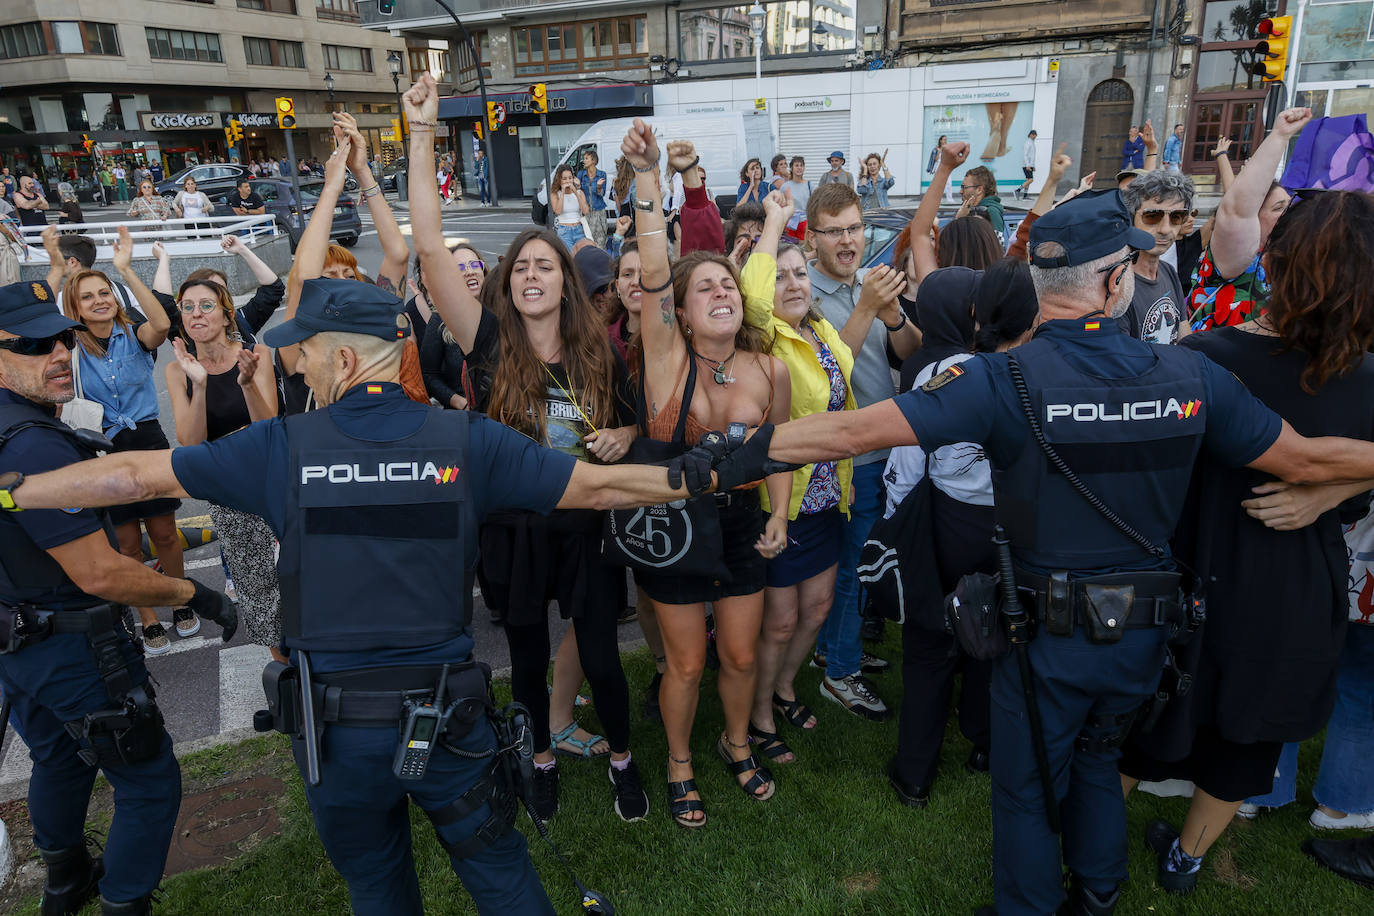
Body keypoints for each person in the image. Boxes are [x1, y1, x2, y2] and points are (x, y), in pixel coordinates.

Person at [700, 181, 1374, 916]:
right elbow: (1307, 460)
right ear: (1115, 281)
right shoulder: (1190, 373)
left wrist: (738, 452)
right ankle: (1099, 892)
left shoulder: (999, 378)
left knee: (1026, 790)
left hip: (1046, 639)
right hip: (1144, 636)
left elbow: (855, 431)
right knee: (1098, 760)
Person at [0, 253, 744, 913]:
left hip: (337, 733)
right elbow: (599, 489)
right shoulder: (467, 440)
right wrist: (708, 472)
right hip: (448, 722)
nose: (298, 368)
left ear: (348, 364)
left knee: (378, 888)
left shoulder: (281, 446)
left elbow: (134, 474)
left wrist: (14, 491)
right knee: (500, 873)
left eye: (309, 357)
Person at [1117, 188, 1374, 896]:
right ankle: (1186, 860)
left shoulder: (1202, 357)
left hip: (1194, 565)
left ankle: (1098, 840)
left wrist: (1323, 486)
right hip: (1294, 582)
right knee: (1248, 732)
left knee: (1148, 713)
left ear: (1277, 260)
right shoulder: (1364, 376)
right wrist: (1330, 488)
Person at [406, 76, 648, 826]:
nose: (535, 274)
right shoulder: (486, 344)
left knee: (603, 655)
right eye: (523, 268)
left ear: (566, 283)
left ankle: (621, 759)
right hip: (511, 530)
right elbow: (427, 247)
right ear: (506, 285)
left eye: (548, 265)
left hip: (586, 527)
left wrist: (629, 434)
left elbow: (639, 420)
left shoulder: (598, 354)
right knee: (527, 659)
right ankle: (538, 759)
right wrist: (420, 133)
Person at [0, 278, 236, 916]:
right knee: (149, 780)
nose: (55, 353)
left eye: (58, 338)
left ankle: (65, 882)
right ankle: (122, 903)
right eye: (30, 344)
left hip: (18, 642)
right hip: (73, 645)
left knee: (58, 760)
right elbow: (103, 573)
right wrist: (200, 597)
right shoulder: (30, 443)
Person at [618, 124, 794, 827]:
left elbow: (778, 449)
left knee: (743, 654)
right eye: (706, 286)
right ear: (681, 313)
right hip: (676, 527)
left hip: (744, 522)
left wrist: (780, 514)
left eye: (729, 281)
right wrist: (648, 175)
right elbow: (657, 261)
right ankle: (680, 761)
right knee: (686, 665)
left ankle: (735, 741)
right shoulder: (665, 357)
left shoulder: (768, 368)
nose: (721, 289)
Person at [884, 259, 1039, 810]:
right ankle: (985, 743)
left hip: (947, 522)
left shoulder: (939, 377)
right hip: (1007, 525)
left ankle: (914, 772)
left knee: (929, 644)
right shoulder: (1025, 370)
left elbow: (906, 459)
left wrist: (903, 523)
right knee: (993, 630)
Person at [739, 190, 856, 763]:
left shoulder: (820, 330)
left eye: (800, 272)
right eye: (781, 275)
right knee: (780, 622)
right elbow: (752, 297)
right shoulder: (765, 338)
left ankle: (785, 688)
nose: (792, 283)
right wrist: (775, 224)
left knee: (818, 608)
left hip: (829, 496)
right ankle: (759, 712)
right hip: (782, 501)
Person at [804, 182, 918, 721]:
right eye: (835, 231)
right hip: (847, 456)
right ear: (813, 238)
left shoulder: (868, 285)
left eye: (855, 228)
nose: (848, 240)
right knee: (852, 566)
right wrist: (869, 306)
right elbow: (829, 369)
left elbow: (910, 355)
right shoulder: (803, 292)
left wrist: (891, 314)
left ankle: (834, 649)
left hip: (882, 448)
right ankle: (840, 674)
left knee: (857, 563)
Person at [51, 226, 193, 657]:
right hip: (102, 447)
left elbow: (163, 323)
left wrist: (126, 270)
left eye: (104, 292)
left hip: (148, 439)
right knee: (128, 543)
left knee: (166, 534)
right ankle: (148, 618)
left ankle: (182, 601)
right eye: (89, 296)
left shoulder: (135, 337)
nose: (100, 300)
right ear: (75, 307)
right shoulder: (69, 346)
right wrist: (58, 270)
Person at [164, 277, 282, 657]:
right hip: (226, 488)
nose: (196, 313)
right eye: (188, 306)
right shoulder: (178, 370)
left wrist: (247, 384)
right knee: (254, 581)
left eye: (206, 305)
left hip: (270, 478)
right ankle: (282, 667)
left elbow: (268, 429)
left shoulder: (255, 352)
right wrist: (199, 385)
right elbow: (191, 442)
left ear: (226, 313)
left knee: (294, 569)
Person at [1187, 110, 1309, 333]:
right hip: (1215, 363)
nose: (1289, 213)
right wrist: (1280, 136)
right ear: (1253, 217)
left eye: (1289, 205)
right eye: (1278, 208)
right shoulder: (1234, 257)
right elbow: (1237, 209)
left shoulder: (1292, 257)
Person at [1118, 170, 1194, 344]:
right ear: (1131, 218)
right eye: (1152, 216)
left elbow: (1184, 337)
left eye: (1176, 217)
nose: (1165, 229)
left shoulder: (1168, 271)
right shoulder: (1118, 284)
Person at [418, 245, 485, 410]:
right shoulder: (440, 318)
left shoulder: (504, 311)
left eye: (474, 265)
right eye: (460, 267)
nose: (470, 271)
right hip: (463, 418)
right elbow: (428, 375)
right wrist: (459, 402)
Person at [958, 166, 1006, 236]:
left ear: (979, 190)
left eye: (964, 187)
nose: (960, 191)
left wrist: (960, 219)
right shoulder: (968, 210)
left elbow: (996, 244)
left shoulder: (991, 212)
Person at [551, 165, 589, 251]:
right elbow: (558, 211)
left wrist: (575, 192)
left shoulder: (579, 192)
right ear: (559, 180)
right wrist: (563, 192)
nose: (568, 181)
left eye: (570, 178)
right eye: (564, 179)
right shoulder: (555, 194)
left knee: (581, 256)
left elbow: (585, 211)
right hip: (564, 230)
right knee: (569, 258)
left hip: (579, 229)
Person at [578, 149, 609, 247]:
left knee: (600, 241)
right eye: (584, 158)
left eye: (586, 158)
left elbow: (602, 194)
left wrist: (599, 187)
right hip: (586, 212)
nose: (584, 161)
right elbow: (578, 192)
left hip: (599, 212)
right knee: (588, 240)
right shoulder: (581, 175)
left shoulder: (602, 174)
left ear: (593, 160)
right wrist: (577, 186)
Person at [781, 157, 811, 239]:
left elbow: (815, 205)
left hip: (805, 223)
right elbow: (781, 205)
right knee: (790, 249)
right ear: (791, 168)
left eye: (801, 165)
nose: (799, 168)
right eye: (796, 165)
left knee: (805, 249)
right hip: (789, 222)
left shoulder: (810, 185)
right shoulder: (785, 186)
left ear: (804, 168)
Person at [1017, 130, 1037, 200]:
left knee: (1028, 179)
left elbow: (1032, 156)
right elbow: (1025, 155)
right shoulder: (1028, 143)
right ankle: (1018, 190)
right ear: (1031, 135)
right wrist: (1028, 165)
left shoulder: (1031, 143)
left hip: (1029, 164)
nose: (1035, 136)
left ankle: (1025, 195)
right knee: (1031, 180)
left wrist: (1033, 166)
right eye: (1034, 135)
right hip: (1026, 165)